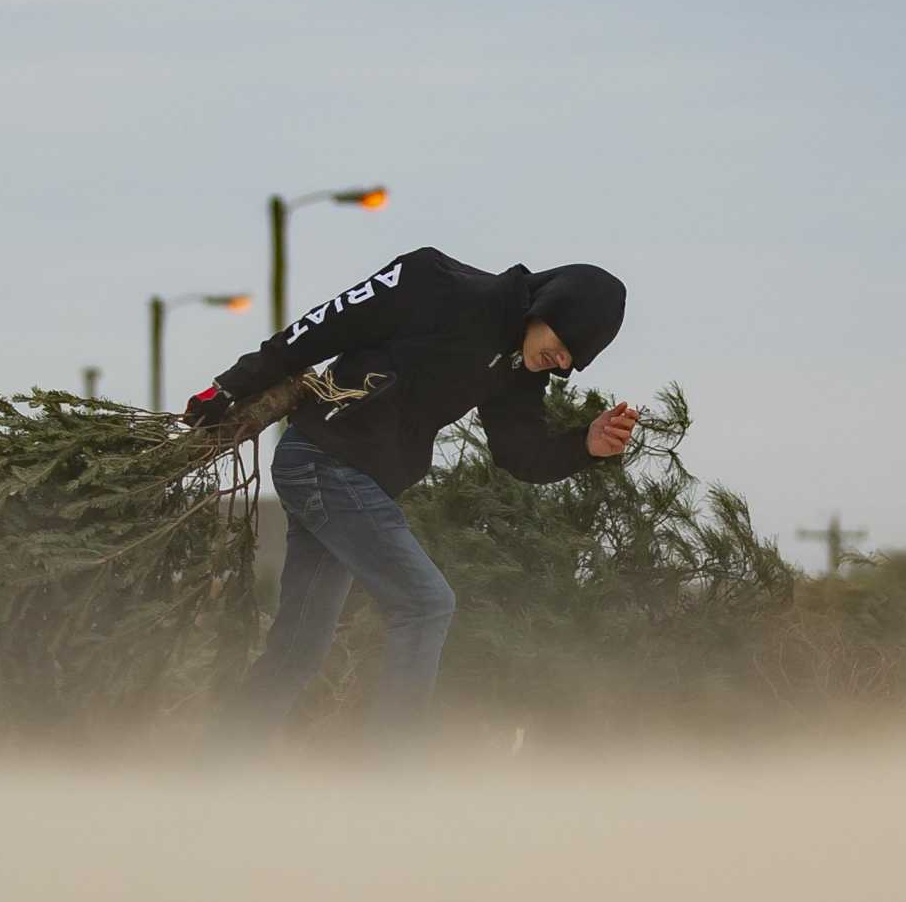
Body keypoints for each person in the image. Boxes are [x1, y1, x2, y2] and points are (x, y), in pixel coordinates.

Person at [182, 246, 636, 737]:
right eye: (565, 342)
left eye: (573, 360)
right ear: (548, 308)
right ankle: (392, 780)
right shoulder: (434, 281)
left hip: (355, 484)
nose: (561, 361)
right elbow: (319, 328)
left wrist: (585, 447)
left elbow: (519, 455)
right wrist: (227, 388)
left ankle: (220, 771)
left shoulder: (517, 372)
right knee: (425, 603)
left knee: (300, 647)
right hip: (321, 462)